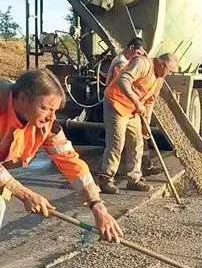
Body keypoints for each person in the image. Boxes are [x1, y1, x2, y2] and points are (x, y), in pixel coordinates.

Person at [0, 69, 122, 244]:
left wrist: (97, 205)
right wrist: (25, 194)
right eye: (45, 108)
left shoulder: (47, 124)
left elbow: (68, 158)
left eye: (55, 110)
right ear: (22, 98)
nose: (51, 117)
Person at [99, 51, 179, 195]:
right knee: (117, 143)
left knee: (137, 143)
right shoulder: (143, 63)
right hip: (116, 104)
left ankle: (134, 179)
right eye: (170, 70)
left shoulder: (159, 78)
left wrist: (145, 124)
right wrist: (136, 102)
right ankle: (106, 178)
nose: (170, 74)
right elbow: (123, 80)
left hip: (133, 111)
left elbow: (150, 101)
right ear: (162, 64)